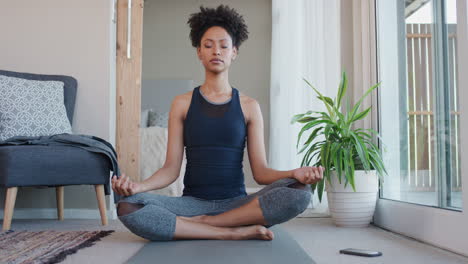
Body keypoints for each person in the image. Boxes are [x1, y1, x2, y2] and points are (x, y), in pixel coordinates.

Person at [112, 4, 324, 241]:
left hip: (238, 205)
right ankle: (231, 232)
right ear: (199, 52)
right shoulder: (181, 103)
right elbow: (170, 170)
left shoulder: (249, 106)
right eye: (208, 45)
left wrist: (296, 172)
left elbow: (261, 173)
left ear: (234, 52)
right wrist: (138, 187)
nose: (216, 51)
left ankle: (204, 225)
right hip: (191, 205)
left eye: (224, 46)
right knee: (128, 204)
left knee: (299, 193)